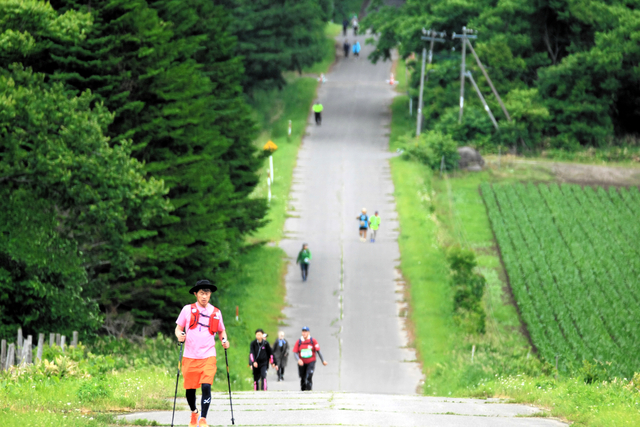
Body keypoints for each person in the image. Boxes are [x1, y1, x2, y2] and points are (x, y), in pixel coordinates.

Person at [175, 279, 230, 427]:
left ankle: (203, 418)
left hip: (208, 355)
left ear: (210, 294)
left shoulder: (216, 312)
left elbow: (221, 331)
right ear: (195, 294)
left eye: (207, 293)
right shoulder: (187, 309)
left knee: (206, 386)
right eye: (201, 293)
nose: (204, 296)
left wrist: (224, 340)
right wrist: (179, 335)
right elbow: (178, 328)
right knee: (190, 390)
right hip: (190, 356)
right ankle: (194, 412)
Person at [293, 326, 327, 391]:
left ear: (308, 333)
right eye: (303, 332)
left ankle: (309, 391)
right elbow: (295, 352)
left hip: (311, 361)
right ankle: (303, 391)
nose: (304, 333)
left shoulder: (313, 341)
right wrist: (298, 359)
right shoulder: (299, 341)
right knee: (303, 378)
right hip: (302, 363)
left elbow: (318, 351)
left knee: (309, 376)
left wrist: (323, 360)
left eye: (305, 332)